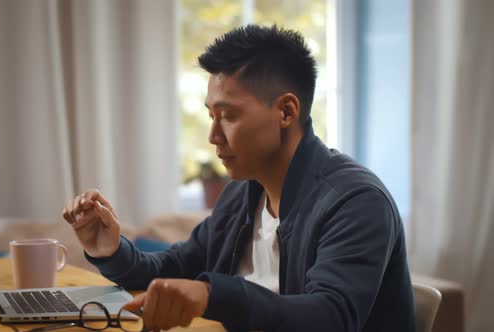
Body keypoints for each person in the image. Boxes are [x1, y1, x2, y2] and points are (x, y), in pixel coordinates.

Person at [62, 25, 415, 332]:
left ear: (286, 111)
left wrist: (213, 295)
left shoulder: (355, 202)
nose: (213, 135)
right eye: (210, 116)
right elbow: (175, 267)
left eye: (227, 115)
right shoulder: (243, 194)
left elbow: (332, 317)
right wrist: (109, 248)